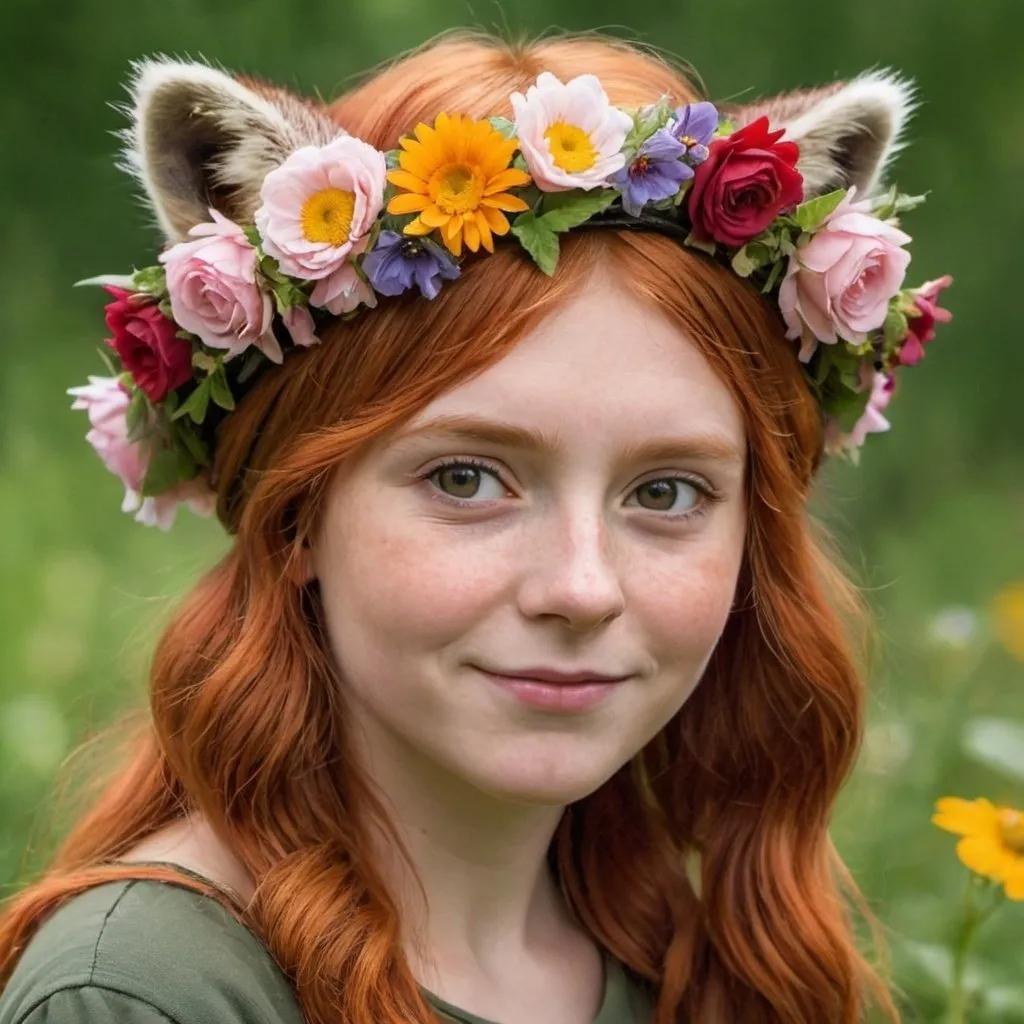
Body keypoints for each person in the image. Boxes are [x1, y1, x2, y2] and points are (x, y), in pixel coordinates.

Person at [0, 28, 952, 1024]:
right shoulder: (152, 991)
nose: (582, 588)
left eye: (666, 492)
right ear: (296, 518)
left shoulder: (694, 960)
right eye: (467, 476)